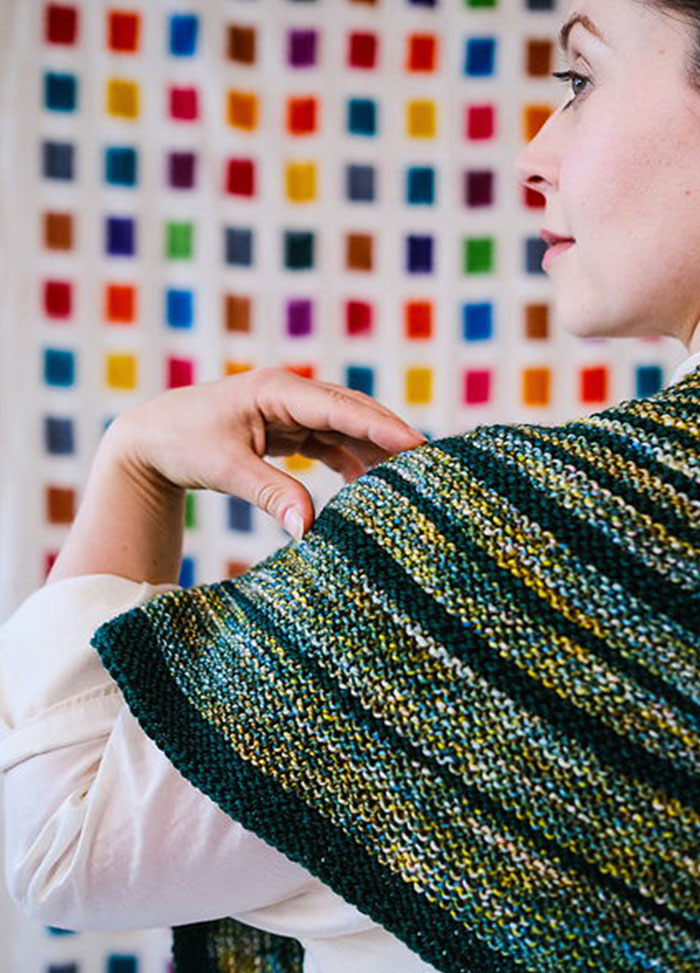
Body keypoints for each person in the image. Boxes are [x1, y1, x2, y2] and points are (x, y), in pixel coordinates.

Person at [1, 1, 699, 971]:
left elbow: (63, 843)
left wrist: (136, 467)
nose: (531, 158)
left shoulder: (499, 545)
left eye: (578, 80)